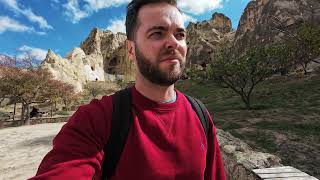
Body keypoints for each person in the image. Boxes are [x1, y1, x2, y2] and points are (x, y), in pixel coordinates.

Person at [30, 0, 226, 179]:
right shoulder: (96, 120)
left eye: (180, 35)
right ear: (131, 50)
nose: (173, 42)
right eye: (157, 33)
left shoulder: (200, 114)